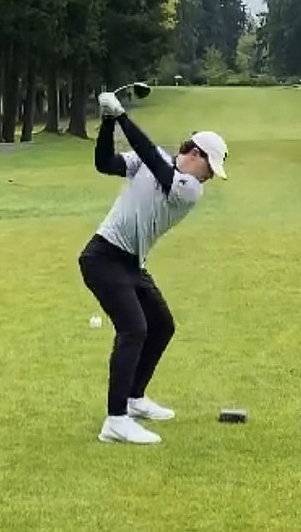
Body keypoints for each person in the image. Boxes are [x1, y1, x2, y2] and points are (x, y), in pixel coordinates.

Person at [78, 90, 228, 445]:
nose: (209, 177)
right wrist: (108, 123)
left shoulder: (190, 189)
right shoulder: (155, 160)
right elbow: (105, 163)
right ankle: (116, 421)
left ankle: (134, 399)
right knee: (134, 329)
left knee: (161, 325)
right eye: (210, 168)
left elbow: (158, 166)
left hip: (132, 262)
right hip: (103, 257)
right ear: (195, 154)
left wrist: (123, 118)